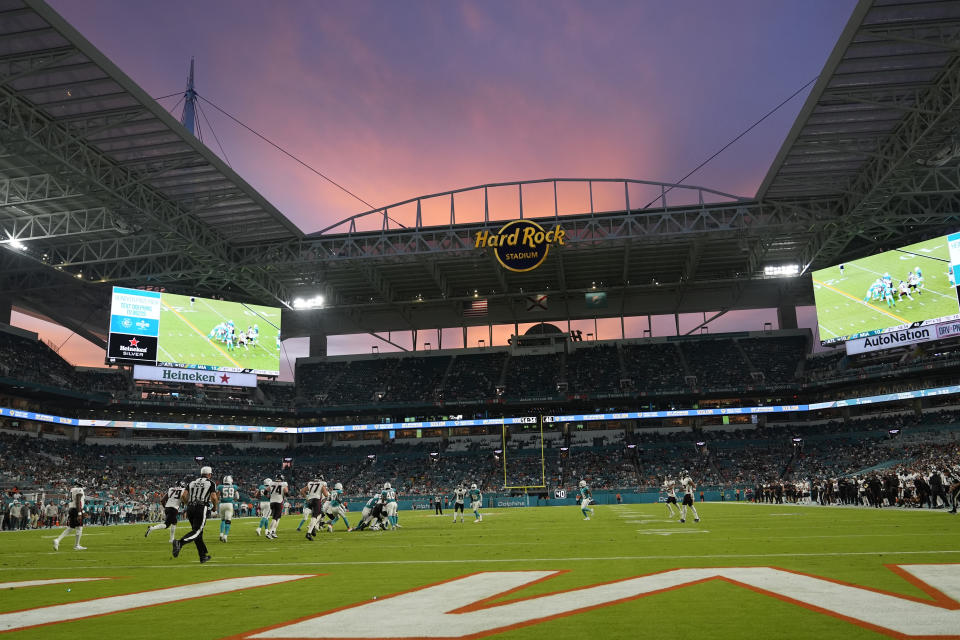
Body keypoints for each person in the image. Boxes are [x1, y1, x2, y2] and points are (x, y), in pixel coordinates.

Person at [172, 466, 218, 564]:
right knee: (197, 531)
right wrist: (215, 507)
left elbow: (184, 495)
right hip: (201, 507)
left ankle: (202, 556)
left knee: (197, 533)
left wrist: (187, 504)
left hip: (190, 507)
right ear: (209, 474)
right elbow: (214, 497)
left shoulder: (192, 482)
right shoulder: (211, 483)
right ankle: (180, 542)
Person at [53, 480, 86, 551]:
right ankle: (76, 545)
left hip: (72, 509)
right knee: (79, 528)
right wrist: (80, 513)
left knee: (71, 527)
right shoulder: (79, 490)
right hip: (76, 510)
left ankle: (57, 540)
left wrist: (82, 511)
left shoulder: (72, 490)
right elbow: (78, 501)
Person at [265, 474, 288, 539]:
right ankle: (269, 532)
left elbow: (265, 491)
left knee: (277, 517)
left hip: (272, 502)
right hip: (279, 502)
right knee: (275, 517)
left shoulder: (271, 483)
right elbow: (286, 492)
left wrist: (269, 497)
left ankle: (273, 531)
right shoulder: (284, 483)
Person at [217, 475, 238, 542]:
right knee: (228, 521)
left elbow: (217, 495)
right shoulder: (234, 487)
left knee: (223, 520)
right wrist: (233, 499)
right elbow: (237, 497)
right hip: (229, 504)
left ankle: (221, 534)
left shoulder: (220, 486)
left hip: (222, 504)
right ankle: (225, 536)